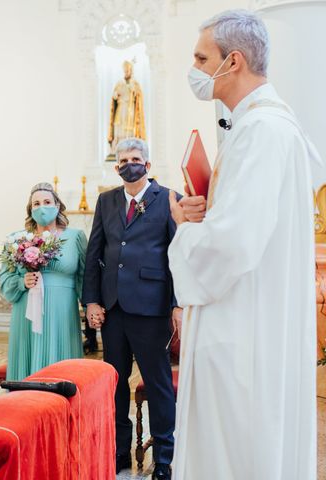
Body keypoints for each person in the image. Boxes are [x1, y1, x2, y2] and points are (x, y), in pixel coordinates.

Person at [168, 10, 323, 480]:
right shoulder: (266, 125)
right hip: (251, 320)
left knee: (234, 453)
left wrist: (185, 227)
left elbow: (231, 246)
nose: (193, 68)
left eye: (201, 57)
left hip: (242, 332)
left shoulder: (261, 132)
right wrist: (212, 204)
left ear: (232, 61)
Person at [82, 138, 180, 480]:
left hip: (151, 307)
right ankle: (118, 451)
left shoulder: (168, 199)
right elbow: (96, 251)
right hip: (113, 308)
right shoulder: (106, 200)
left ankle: (165, 457)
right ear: (116, 167)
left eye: (136, 159)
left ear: (148, 165)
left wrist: (177, 304)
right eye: (123, 160)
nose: (129, 164)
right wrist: (92, 300)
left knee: (157, 383)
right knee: (114, 383)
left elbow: (179, 256)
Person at [0, 182, 87, 381]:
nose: (42, 207)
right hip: (26, 312)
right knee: (28, 366)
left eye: (47, 202)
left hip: (62, 313)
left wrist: (90, 306)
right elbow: (5, 278)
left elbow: (85, 277)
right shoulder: (17, 239)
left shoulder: (75, 238)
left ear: (57, 206)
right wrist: (22, 281)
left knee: (62, 367)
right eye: (36, 203)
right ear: (30, 210)